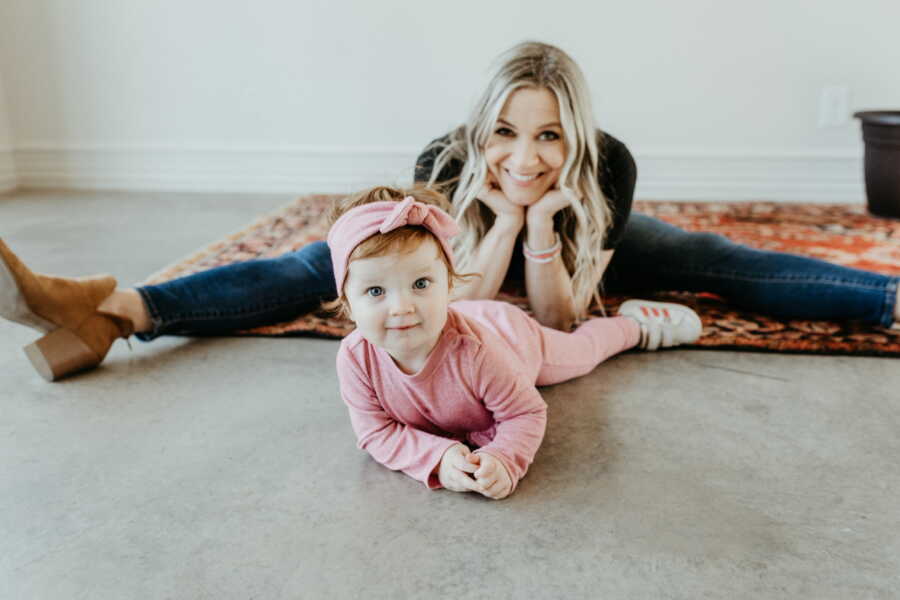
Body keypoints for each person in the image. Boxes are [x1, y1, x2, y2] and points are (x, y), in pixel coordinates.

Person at [1, 41, 897, 381]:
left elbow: (561, 317)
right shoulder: (442, 164)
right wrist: (503, 221)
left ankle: (889, 298)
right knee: (321, 265)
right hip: (459, 248)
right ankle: (111, 310)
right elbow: (457, 302)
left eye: (548, 137)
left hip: (575, 239)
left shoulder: (607, 169)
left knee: (714, 258)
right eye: (505, 133)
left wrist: (543, 223)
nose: (523, 157)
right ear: (478, 134)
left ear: (576, 140)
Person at [326, 185, 701, 499]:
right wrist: (439, 457)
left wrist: (505, 458)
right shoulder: (356, 358)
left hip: (513, 336)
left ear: (449, 284)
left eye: (421, 284)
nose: (402, 307)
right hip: (476, 325)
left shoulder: (477, 353)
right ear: (347, 304)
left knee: (582, 354)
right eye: (375, 290)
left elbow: (525, 413)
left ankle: (635, 326)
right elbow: (377, 432)